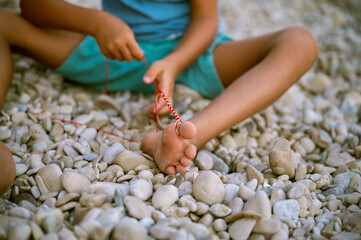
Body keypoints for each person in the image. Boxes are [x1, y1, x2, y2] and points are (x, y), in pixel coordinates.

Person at [0, 0, 318, 196]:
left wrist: (176, 61)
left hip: (191, 54)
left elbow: (206, 19)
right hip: (111, 50)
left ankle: (188, 134)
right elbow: (33, 5)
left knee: (299, 42)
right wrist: (96, 22)